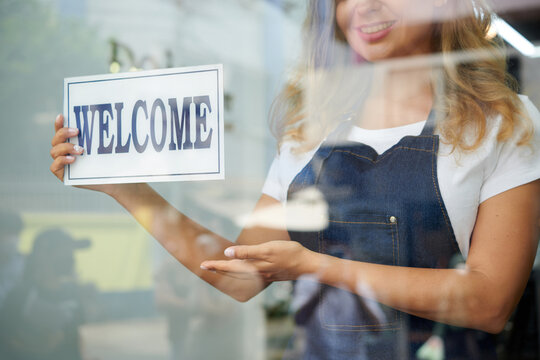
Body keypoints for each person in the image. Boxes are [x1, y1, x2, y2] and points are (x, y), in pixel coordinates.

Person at [50, 0, 540, 358]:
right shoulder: (314, 127)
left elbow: (488, 302)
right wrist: (125, 189)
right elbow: (240, 278)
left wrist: (318, 266)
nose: (365, 7)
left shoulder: (502, 122)